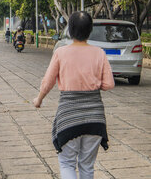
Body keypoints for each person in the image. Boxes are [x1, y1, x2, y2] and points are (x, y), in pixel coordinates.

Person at [33, 11, 114, 179]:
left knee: (67, 163)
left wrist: (38, 99)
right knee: (87, 166)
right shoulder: (99, 53)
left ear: (69, 30)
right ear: (90, 30)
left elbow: (48, 82)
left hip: (69, 116)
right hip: (95, 118)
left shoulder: (61, 53)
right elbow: (109, 84)